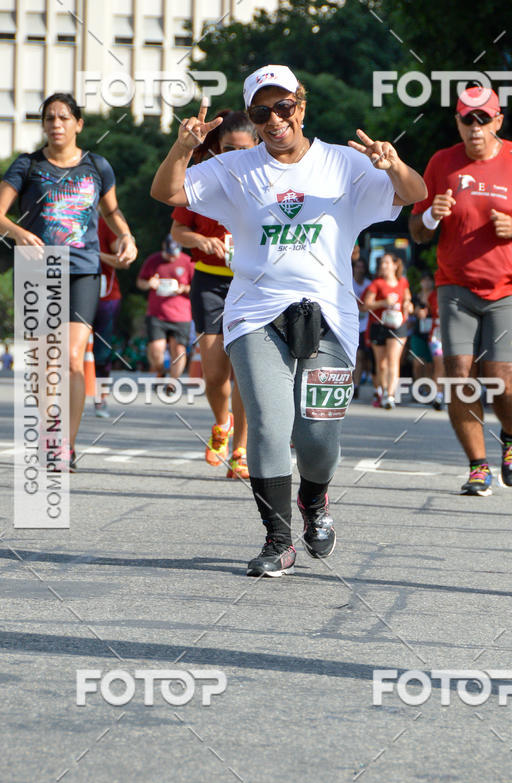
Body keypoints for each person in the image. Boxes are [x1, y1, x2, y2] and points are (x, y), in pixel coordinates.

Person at [151, 64, 426, 577]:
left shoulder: (345, 164)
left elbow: (413, 194)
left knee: (319, 442)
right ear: (253, 118)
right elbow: (169, 194)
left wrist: (392, 165)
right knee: (271, 425)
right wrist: (183, 148)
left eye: (283, 107)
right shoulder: (235, 167)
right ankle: (278, 540)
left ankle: (315, 502)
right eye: (262, 112)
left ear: (301, 104)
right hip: (255, 313)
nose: (274, 119)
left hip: (332, 317)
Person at [409, 86, 512, 495]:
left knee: (502, 376)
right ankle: (478, 465)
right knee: (458, 376)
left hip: (507, 288)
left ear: (498, 121)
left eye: (483, 119)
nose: (474, 128)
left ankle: (511, 437)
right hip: (454, 286)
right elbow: (416, 230)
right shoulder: (442, 163)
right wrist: (433, 218)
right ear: (457, 122)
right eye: (466, 120)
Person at [0, 92, 136, 470]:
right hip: (36, 269)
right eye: (49, 119)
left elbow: (113, 211)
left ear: (78, 124)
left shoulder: (97, 165)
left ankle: (65, 445)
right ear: (44, 125)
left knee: (74, 359)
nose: (56, 124)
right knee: (47, 362)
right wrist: (17, 233)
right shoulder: (26, 165)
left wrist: (126, 236)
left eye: (63, 118)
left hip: (83, 268)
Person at [171, 111, 258, 480]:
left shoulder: (267, 182)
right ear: (216, 149)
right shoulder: (203, 180)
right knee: (213, 372)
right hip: (209, 281)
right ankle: (221, 424)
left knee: (245, 371)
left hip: (253, 285)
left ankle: (240, 449)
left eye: (242, 149)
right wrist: (201, 240)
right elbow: (178, 232)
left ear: (256, 148)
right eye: (226, 149)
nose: (233, 156)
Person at [136, 235, 194, 381]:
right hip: (157, 314)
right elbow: (140, 282)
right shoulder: (153, 261)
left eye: (174, 253)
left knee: (179, 350)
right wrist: (149, 284)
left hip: (181, 315)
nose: (171, 257)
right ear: (164, 247)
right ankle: (161, 371)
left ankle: (173, 382)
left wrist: (184, 288)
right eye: (169, 253)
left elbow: (197, 287)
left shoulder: (187, 262)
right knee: (156, 350)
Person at [93, 216, 132, 418]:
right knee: (70, 349)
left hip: (105, 296)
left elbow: (122, 261)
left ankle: (101, 399)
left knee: (102, 351)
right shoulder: (62, 216)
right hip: (67, 291)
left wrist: (93, 254)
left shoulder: (106, 222)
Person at [361, 252, 412, 409]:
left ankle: (390, 395)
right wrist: (383, 302)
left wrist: (408, 305)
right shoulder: (376, 284)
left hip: (398, 325)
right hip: (379, 325)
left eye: (387, 263)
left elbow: (407, 298)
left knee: (392, 360)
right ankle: (382, 392)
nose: (384, 266)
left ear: (396, 265)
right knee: (381, 364)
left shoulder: (403, 282)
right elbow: (364, 306)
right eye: (382, 263)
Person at [410, 272, 444, 410]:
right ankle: (432, 393)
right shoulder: (432, 296)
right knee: (426, 363)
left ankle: (435, 391)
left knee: (433, 366)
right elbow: (420, 311)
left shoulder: (457, 294)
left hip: (451, 334)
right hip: (433, 334)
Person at [351, 255, 371, 399]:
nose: (360, 269)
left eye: (362, 267)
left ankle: (356, 384)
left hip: (364, 326)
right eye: (357, 266)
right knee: (352, 356)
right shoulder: (347, 282)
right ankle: (350, 383)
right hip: (349, 324)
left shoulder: (369, 285)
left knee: (361, 356)